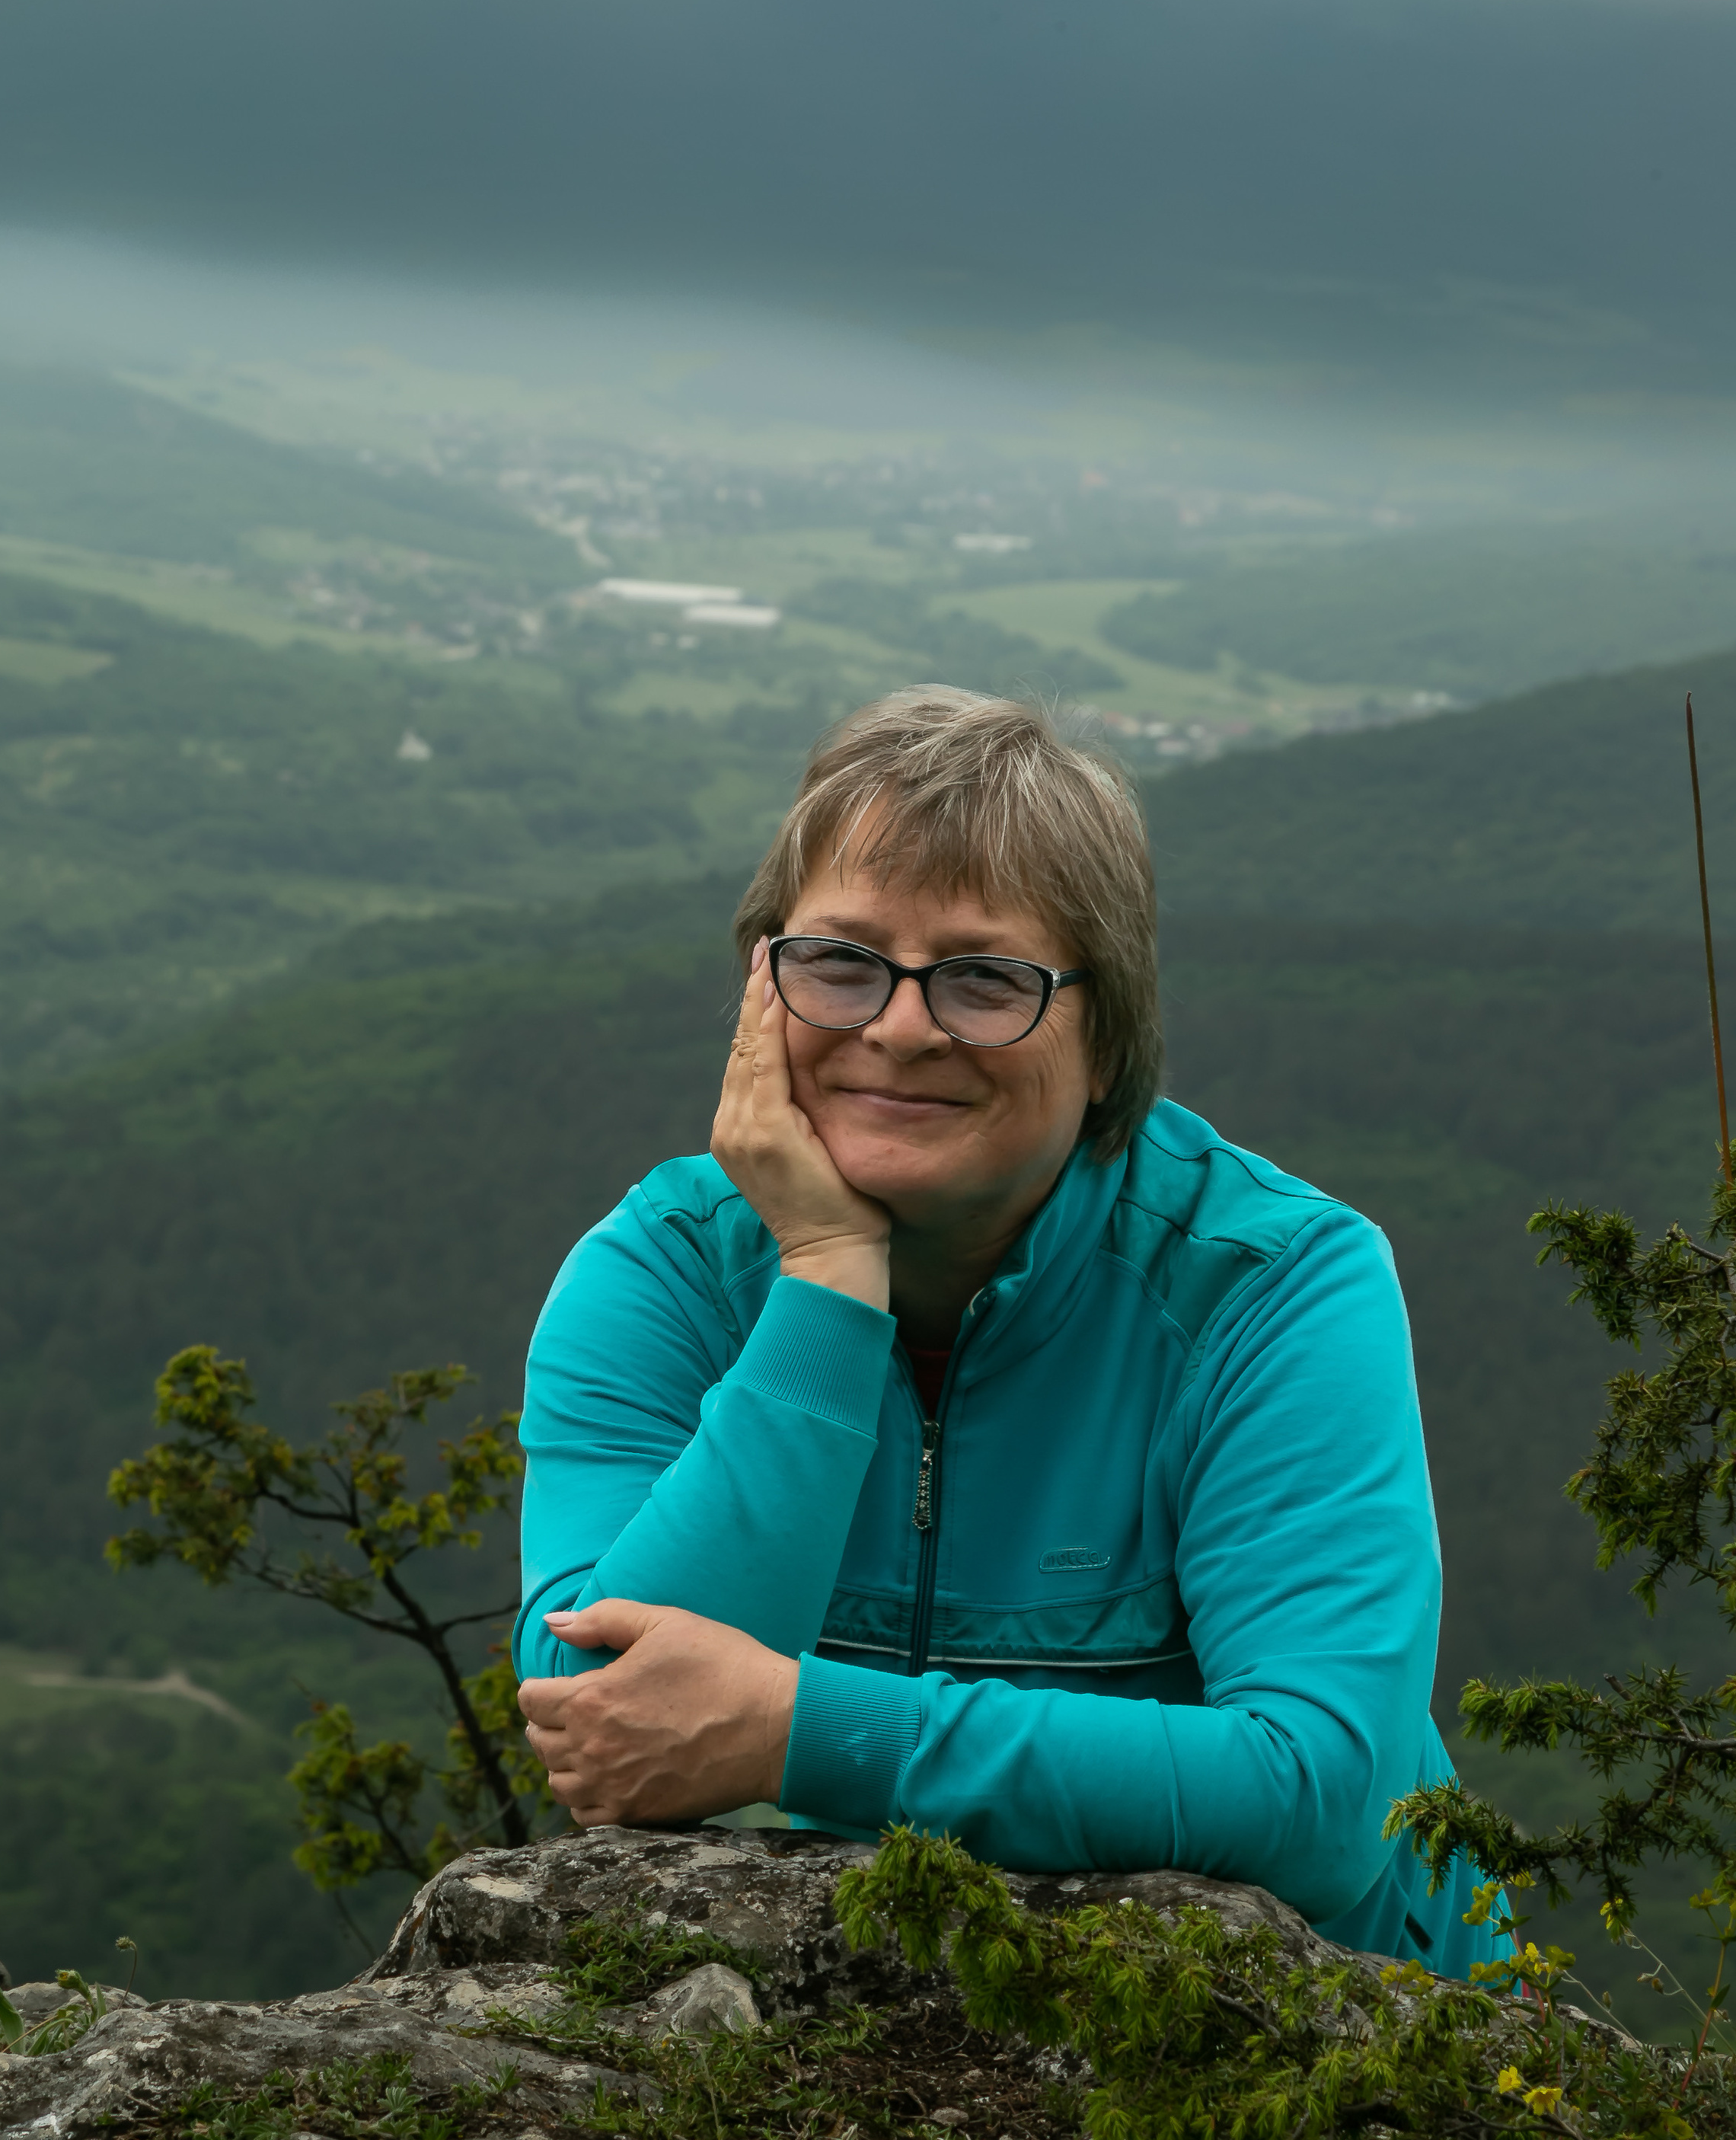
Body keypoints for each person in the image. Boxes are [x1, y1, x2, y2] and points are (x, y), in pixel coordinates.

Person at [513, 686, 1493, 1977]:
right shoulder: (668, 1271)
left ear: (1107, 1037)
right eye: (842, 962)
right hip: (886, 2052)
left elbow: (1322, 1800)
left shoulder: (1272, 1285)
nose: (901, 1026)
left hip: (1335, 2068)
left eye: (986, 979)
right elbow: (606, 1716)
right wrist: (825, 1279)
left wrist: (802, 1732)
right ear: (762, 989)